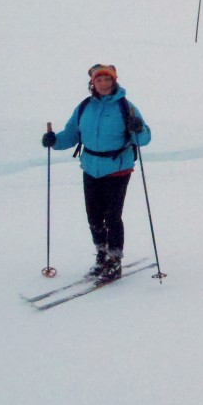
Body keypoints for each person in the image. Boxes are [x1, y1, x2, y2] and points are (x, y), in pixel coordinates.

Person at [41, 64, 151, 280]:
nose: (103, 84)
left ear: (114, 81)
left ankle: (114, 260)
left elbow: (144, 139)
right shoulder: (84, 107)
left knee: (112, 216)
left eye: (107, 80)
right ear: (93, 83)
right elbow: (72, 134)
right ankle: (101, 254)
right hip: (91, 167)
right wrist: (54, 141)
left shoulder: (126, 107)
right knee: (93, 216)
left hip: (118, 167)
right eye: (99, 80)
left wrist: (138, 128)